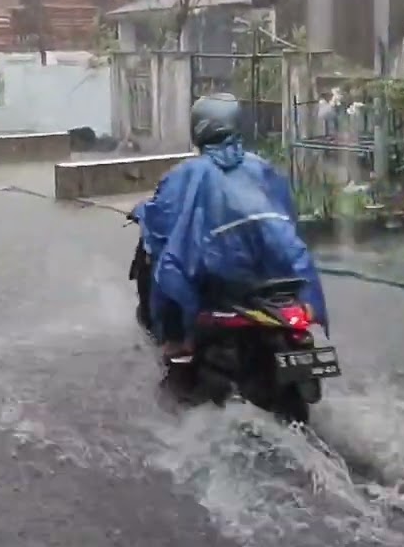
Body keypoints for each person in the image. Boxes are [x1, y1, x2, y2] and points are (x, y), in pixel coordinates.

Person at [133, 93, 329, 357]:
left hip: (221, 269)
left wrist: (143, 213)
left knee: (166, 266)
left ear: (197, 128)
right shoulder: (262, 167)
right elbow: (288, 209)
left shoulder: (187, 172)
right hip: (275, 263)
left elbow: (160, 220)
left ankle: (177, 339)